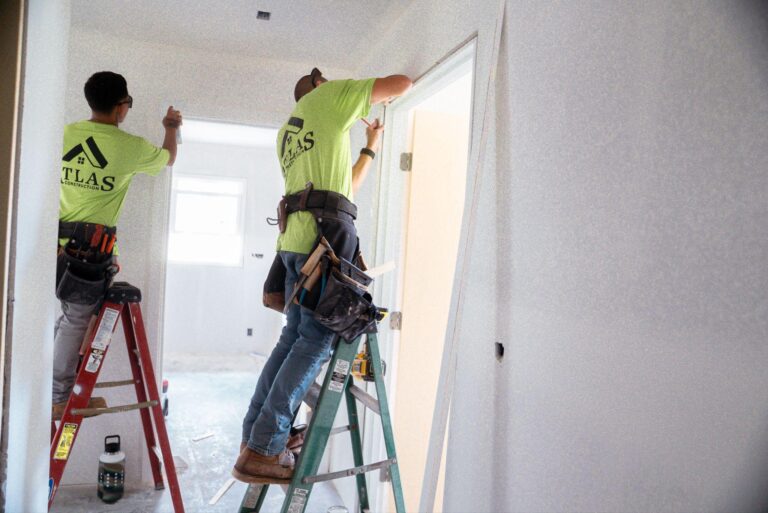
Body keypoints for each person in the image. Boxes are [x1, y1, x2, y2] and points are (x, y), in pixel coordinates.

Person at [234, 68, 412, 484]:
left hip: (297, 244)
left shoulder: (289, 132)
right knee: (315, 339)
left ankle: (253, 440)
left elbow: (343, 185)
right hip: (325, 243)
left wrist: (369, 147)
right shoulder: (331, 97)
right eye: (327, 80)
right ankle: (264, 447)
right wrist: (360, 97)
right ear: (318, 87)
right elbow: (402, 84)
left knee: (293, 337)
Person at [52, 71, 182, 419]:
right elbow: (169, 158)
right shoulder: (128, 147)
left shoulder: (65, 134)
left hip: (58, 245)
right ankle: (58, 396)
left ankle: (60, 391)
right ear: (121, 107)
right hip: (89, 252)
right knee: (76, 320)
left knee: (68, 319)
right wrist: (171, 126)